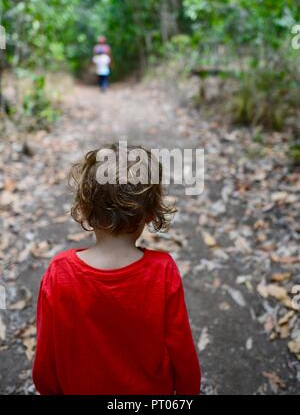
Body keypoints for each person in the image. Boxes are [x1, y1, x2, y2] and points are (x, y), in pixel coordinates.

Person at [32, 143, 201, 395]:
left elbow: (46, 352)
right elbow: (181, 348)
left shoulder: (60, 273)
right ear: (149, 215)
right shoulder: (162, 271)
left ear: (86, 211)